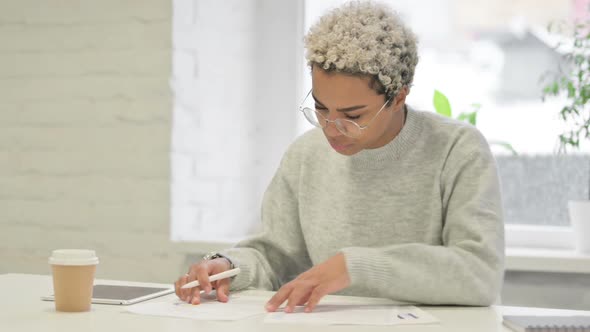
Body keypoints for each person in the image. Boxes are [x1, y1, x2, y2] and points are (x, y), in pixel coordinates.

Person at [174, 0, 504, 313]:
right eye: (320, 107)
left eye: (354, 115)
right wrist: (230, 267)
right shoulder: (305, 155)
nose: (332, 129)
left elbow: (479, 274)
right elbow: (276, 257)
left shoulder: (457, 149)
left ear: (399, 96)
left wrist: (354, 267)